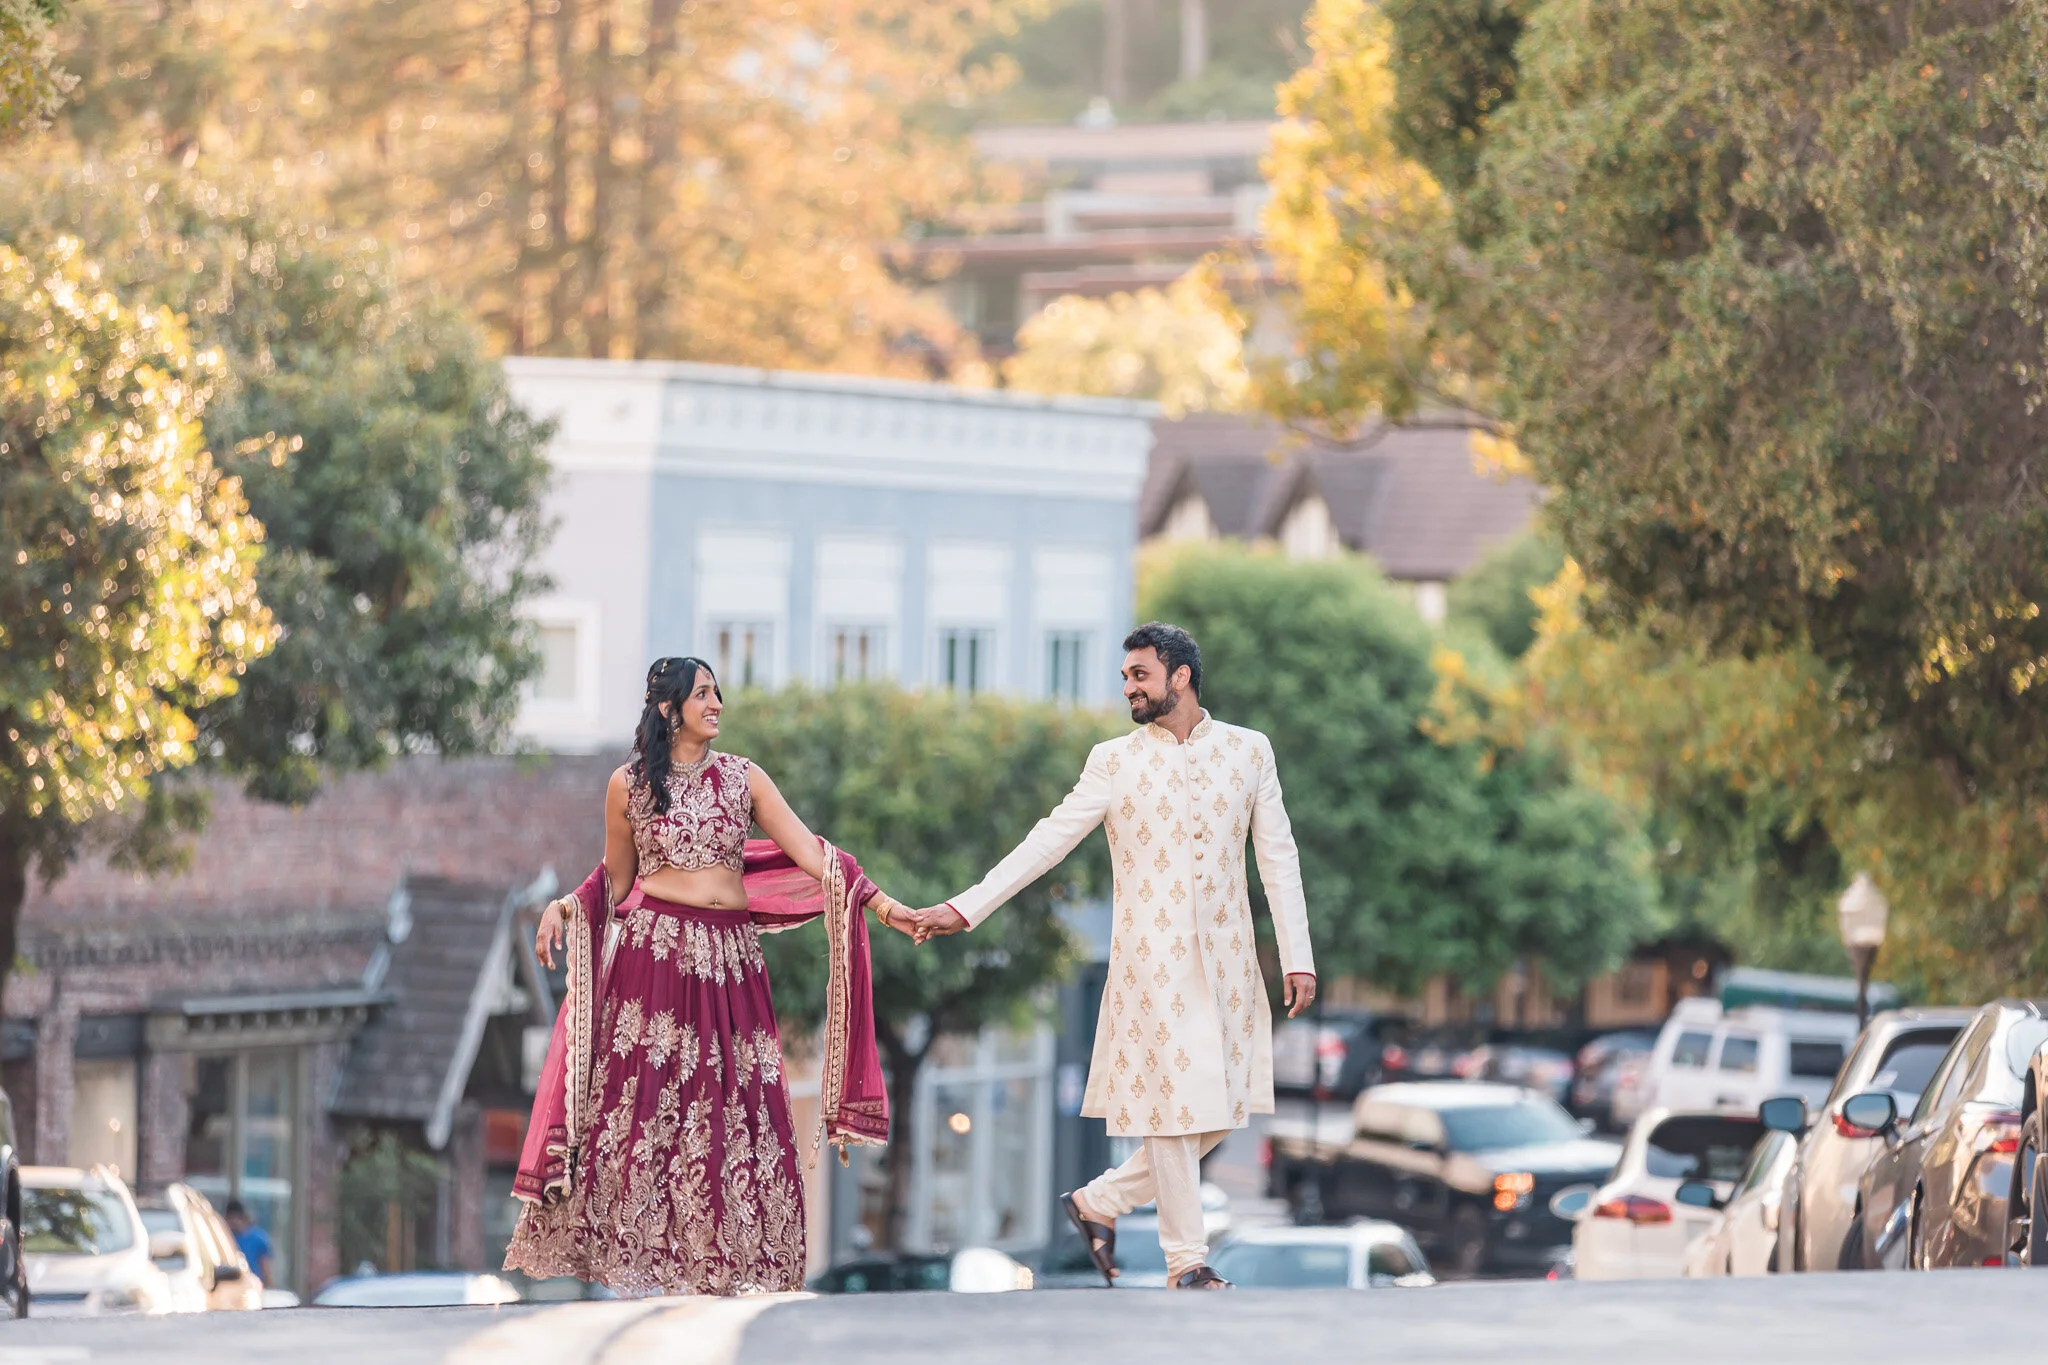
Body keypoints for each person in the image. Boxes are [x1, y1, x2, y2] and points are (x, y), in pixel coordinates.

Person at [909, 623, 1315, 1291]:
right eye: (1126, 675)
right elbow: (1048, 842)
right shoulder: (1113, 760)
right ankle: (1187, 1261)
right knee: (1177, 1109)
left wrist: (1297, 955)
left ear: (1178, 676)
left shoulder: (1249, 752)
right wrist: (966, 906)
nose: (1127, 686)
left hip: (1231, 965)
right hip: (1151, 966)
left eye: (1139, 675)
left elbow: (1278, 856)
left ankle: (1099, 1200)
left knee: (1218, 1111)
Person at [504, 656, 917, 1297]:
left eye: (717, 692)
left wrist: (884, 907)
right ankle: (648, 1263)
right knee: (649, 1113)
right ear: (669, 710)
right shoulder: (628, 786)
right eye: (703, 695)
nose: (717, 703)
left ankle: (726, 1263)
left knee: (735, 1109)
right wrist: (566, 905)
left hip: (731, 964)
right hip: (656, 960)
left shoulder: (744, 779)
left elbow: (813, 854)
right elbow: (616, 882)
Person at [222, 1200, 274, 1285]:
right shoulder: (224, 1238)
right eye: (231, 1218)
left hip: (253, 1285)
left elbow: (266, 1269)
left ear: (243, 1218)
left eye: (236, 1218)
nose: (234, 1222)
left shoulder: (259, 1239)